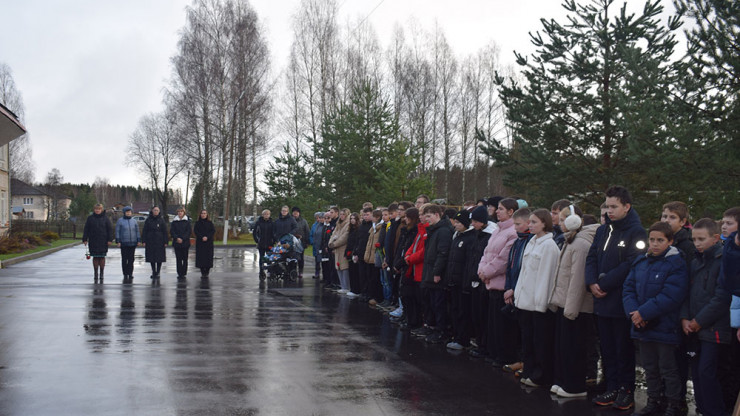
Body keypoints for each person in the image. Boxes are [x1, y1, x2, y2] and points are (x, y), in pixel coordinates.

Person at [586, 186, 647, 411]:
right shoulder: (603, 231)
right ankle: (611, 386)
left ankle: (626, 390)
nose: (609, 211)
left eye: (614, 207)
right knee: (608, 348)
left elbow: (632, 263)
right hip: (601, 298)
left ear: (626, 206)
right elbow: (592, 256)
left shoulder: (637, 232)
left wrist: (603, 283)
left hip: (621, 300)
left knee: (623, 349)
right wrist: (591, 282)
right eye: (607, 206)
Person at [623, 222, 688, 416]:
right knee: (649, 367)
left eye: (660, 240)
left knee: (667, 367)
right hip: (641, 325)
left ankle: (673, 403)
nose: (655, 244)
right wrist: (634, 313)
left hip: (664, 326)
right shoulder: (641, 261)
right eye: (652, 239)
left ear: (670, 241)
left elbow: (671, 295)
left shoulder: (676, 264)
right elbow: (629, 289)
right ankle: (653, 400)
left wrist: (644, 312)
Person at [680, 218, 731, 416]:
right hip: (693, 328)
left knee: (707, 373)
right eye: (694, 239)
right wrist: (685, 318)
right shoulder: (695, 261)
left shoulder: (723, 261)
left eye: (702, 239)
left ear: (716, 238)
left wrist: (699, 321)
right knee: (698, 376)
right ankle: (703, 409)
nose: (697, 243)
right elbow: (687, 292)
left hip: (713, 328)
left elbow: (722, 297)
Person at [549, 205, 598, 398]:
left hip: (575, 307)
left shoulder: (580, 244)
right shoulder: (571, 241)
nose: (560, 223)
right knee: (564, 347)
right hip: (565, 303)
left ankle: (574, 385)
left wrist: (570, 309)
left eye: (563, 219)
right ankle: (563, 380)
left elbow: (577, 280)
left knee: (574, 348)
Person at [514, 208, 559, 388]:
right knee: (528, 340)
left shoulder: (549, 246)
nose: (530, 225)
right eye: (530, 222)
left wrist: (541, 303)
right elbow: (524, 271)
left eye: (534, 222)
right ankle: (529, 369)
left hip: (538, 303)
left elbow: (546, 277)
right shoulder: (532, 242)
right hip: (525, 301)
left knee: (540, 341)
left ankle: (541, 374)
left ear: (544, 223)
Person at [478, 198, 519, 367]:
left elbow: (503, 259)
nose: (496, 211)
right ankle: (494, 352)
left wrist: (486, 272)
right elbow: (487, 253)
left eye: (501, 209)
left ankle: (503, 355)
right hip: (489, 282)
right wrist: (481, 270)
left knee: (503, 326)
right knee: (492, 323)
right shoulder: (497, 230)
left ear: (511, 212)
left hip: (501, 283)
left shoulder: (512, 232)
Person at [502, 207, 532, 374]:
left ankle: (525, 362)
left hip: (521, 291)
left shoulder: (529, 241)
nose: (515, 228)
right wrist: (508, 287)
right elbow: (510, 266)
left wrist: (514, 288)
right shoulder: (517, 241)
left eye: (518, 224)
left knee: (525, 331)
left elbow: (524, 269)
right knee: (516, 328)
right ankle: (519, 359)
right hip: (512, 290)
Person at [419, 203, 453, 344]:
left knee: (439, 304)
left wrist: (437, 272)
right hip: (430, 271)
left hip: (437, 274)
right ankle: (435, 328)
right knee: (433, 302)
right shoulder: (435, 230)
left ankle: (442, 331)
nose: (427, 219)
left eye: (429, 216)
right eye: (425, 216)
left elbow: (443, 253)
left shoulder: (443, 231)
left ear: (437, 215)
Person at [469, 205, 498, 359]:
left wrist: (483, 273)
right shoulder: (477, 234)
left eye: (475, 221)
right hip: (475, 279)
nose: (472, 224)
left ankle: (485, 346)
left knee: (484, 316)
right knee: (477, 316)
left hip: (485, 281)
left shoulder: (489, 236)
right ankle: (480, 343)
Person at [445, 210, 476, 350]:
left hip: (462, 282)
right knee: (454, 309)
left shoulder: (470, 238)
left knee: (463, 311)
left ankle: (462, 339)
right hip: (453, 280)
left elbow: (468, 262)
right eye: (455, 222)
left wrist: (465, 281)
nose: (455, 225)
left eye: (458, 222)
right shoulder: (456, 236)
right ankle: (456, 335)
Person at [402, 208, 426, 332]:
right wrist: (407, 255)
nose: (421, 217)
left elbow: (423, 251)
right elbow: (413, 246)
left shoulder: (426, 230)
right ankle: (410, 319)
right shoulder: (419, 229)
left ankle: (417, 322)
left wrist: (410, 258)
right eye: (420, 214)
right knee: (408, 295)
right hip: (412, 267)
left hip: (418, 268)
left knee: (418, 299)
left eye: (423, 214)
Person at [83, 203, 114, 283]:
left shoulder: (106, 219)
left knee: (102, 257)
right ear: (94, 210)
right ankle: (96, 273)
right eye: (96, 209)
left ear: (101, 210)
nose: (97, 210)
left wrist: (110, 239)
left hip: (103, 241)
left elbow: (110, 230)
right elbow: (86, 229)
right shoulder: (90, 218)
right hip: (93, 240)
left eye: (99, 209)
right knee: (95, 257)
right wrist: (85, 239)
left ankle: (102, 273)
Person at [364, 209, 384, 306]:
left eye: (372, 216)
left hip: (375, 257)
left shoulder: (380, 228)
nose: (371, 218)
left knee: (375, 279)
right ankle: (370, 295)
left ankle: (376, 297)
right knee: (369, 277)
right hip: (369, 256)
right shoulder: (373, 228)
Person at [115, 206, 140, 283]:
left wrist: (138, 240)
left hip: (132, 243)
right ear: (124, 213)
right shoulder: (120, 221)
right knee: (124, 259)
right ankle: (125, 273)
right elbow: (117, 231)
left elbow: (137, 231)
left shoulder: (134, 221)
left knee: (131, 259)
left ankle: (130, 273)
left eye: (130, 212)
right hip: (124, 243)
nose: (128, 213)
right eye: (127, 212)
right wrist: (118, 241)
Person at [142, 206, 168, 280]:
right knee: (152, 257)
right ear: (152, 211)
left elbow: (165, 232)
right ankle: (153, 271)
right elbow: (144, 231)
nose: (156, 211)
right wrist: (144, 241)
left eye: (157, 210)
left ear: (159, 211)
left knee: (159, 257)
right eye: (154, 210)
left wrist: (166, 241)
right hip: (150, 241)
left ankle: (158, 272)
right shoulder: (148, 220)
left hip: (160, 241)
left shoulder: (161, 220)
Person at [328, 208, 351, 293]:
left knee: (344, 268)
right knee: (338, 267)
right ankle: (342, 285)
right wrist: (330, 243)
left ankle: (346, 286)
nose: (342, 216)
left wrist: (334, 244)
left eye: (343, 214)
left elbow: (344, 237)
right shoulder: (338, 223)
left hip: (343, 248)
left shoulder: (348, 224)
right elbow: (334, 234)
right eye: (341, 214)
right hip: (336, 249)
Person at [170, 207, 192, 280]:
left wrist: (182, 238)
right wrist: (177, 238)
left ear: (184, 213)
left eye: (181, 211)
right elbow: (172, 231)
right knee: (178, 259)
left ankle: (184, 272)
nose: (180, 213)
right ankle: (179, 273)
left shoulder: (187, 222)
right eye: (178, 211)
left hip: (185, 243)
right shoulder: (174, 222)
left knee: (185, 259)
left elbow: (188, 232)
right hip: (177, 243)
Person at [194, 209, 215, 278]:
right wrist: (202, 237)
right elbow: (195, 231)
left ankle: (207, 271)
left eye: (205, 213)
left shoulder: (210, 223)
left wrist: (207, 237)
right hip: (200, 243)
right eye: (202, 213)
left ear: (207, 215)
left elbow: (213, 231)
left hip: (208, 243)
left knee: (208, 257)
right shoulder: (197, 223)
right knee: (201, 257)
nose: (203, 214)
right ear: (200, 214)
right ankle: (202, 271)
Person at [253, 209, 274, 278]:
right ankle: (261, 271)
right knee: (261, 258)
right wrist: (257, 240)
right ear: (262, 215)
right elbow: (255, 232)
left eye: (267, 214)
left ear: (269, 215)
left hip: (269, 244)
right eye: (265, 214)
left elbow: (274, 233)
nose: (266, 215)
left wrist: (273, 240)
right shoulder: (258, 222)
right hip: (261, 243)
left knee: (269, 258)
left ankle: (269, 271)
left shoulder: (272, 223)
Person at [292, 207, 310, 278]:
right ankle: (293, 271)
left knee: (300, 258)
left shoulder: (303, 221)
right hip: (292, 242)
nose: (295, 214)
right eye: (294, 212)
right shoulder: (290, 220)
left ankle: (300, 271)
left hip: (301, 242)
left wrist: (307, 242)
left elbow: (307, 231)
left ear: (299, 213)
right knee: (292, 258)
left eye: (296, 212)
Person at [345, 212, 361, 297]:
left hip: (355, 252)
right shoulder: (351, 229)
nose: (352, 220)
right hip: (350, 251)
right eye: (351, 219)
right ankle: (353, 288)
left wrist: (355, 252)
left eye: (354, 219)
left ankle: (356, 290)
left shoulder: (358, 229)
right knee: (351, 271)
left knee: (355, 272)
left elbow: (357, 242)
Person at [310, 212, 325, 278]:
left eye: (320, 218)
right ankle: (317, 273)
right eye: (317, 218)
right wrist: (312, 242)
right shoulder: (314, 225)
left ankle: (325, 275)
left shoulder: (325, 225)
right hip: (316, 245)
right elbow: (311, 235)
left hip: (322, 246)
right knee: (317, 261)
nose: (318, 219)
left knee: (324, 261)